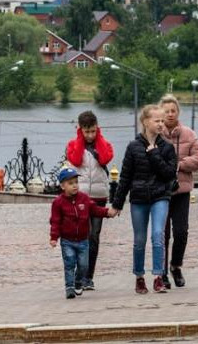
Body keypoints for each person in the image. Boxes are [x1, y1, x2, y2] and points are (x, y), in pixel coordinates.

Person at [111, 104, 178, 294]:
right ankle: (139, 277)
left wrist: (154, 153)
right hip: (139, 198)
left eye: (162, 121)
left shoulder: (167, 147)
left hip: (160, 197)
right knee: (139, 240)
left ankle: (158, 277)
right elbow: (125, 177)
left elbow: (169, 173)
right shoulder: (133, 147)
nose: (161, 124)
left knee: (157, 235)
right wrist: (117, 204)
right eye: (157, 120)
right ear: (145, 122)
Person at [158, 94, 198, 289]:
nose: (170, 114)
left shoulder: (189, 134)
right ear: (160, 113)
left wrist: (180, 165)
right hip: (160, 192)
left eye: (173, 111)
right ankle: (161, 272)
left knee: (181, 232)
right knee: (162, 234)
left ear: (178, 112)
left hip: (182, 191)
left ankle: (175, 266)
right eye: (166, 111)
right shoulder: (155, 133)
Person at [65, 110, 115, 291]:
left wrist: (98, 138)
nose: (90, 135)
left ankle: (88, 277)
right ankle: (79, 274)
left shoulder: (104, 144)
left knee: (94, 236)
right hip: (81, 196)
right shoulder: (73, 145)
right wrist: (80, 139)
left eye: (93, 131)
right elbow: (76, 160)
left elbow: (105, 158)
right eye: (86, 132)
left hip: (99, 196)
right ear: (80, 130)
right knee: (82, 235)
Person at [49, 167, 117, 299]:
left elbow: (95, 210)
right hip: (67, 241)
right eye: (70, 183)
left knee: (84, 265)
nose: (74, 185)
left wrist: (107, 212)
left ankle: (78, 281)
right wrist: (54, 237)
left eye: (76, 182)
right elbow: (55, 221)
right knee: (69, 263)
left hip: (83, 241)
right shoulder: (58, 203)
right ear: (63, 186)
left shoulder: (84, 199)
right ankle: (69, 287)